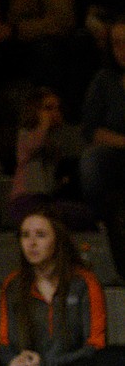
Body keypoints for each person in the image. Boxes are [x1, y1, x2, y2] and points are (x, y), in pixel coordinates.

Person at [0, 210, 125, 366]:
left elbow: (95, 344)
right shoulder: (13, 284)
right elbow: (5, 343)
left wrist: (44, 364)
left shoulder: (84, 282)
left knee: (107, 359)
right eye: (25, 236)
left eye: (41, 235)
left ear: (57, 240)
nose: (32, 243)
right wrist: (14, 363)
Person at [7, 86, 94, 229]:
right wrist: (44, 124)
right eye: (48, 108)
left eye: (57, 108)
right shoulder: (26, 133)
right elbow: (34, 145)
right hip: (25, 200)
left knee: (83, 213)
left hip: (44, 200)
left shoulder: (53, 140)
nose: (54, 112)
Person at [79, 17, 125, 279]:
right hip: (116, 157)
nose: (122, 50)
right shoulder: (104, 80)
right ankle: (101, 219)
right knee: (91, 160)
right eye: (117, 43)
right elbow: (91, 129)